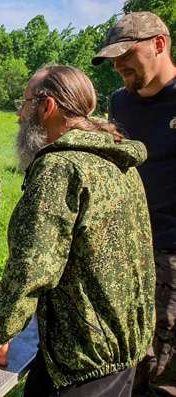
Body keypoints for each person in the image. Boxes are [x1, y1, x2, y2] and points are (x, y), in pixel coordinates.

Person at [0, 65, 156, 397]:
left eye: (24, 103)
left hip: (82, 358)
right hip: (123, 344)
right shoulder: (118, 160)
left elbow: (32, 266)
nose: (20, 115)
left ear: (47, 106)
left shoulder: (59, 168)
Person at [92, 11, 176, 396]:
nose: (118, 65)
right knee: (127, 346)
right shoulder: (119, 104)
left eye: (127, 53)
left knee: (164, 359)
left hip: (170, 253)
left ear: (159, 44)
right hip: (124, 249)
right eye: (113, 58)